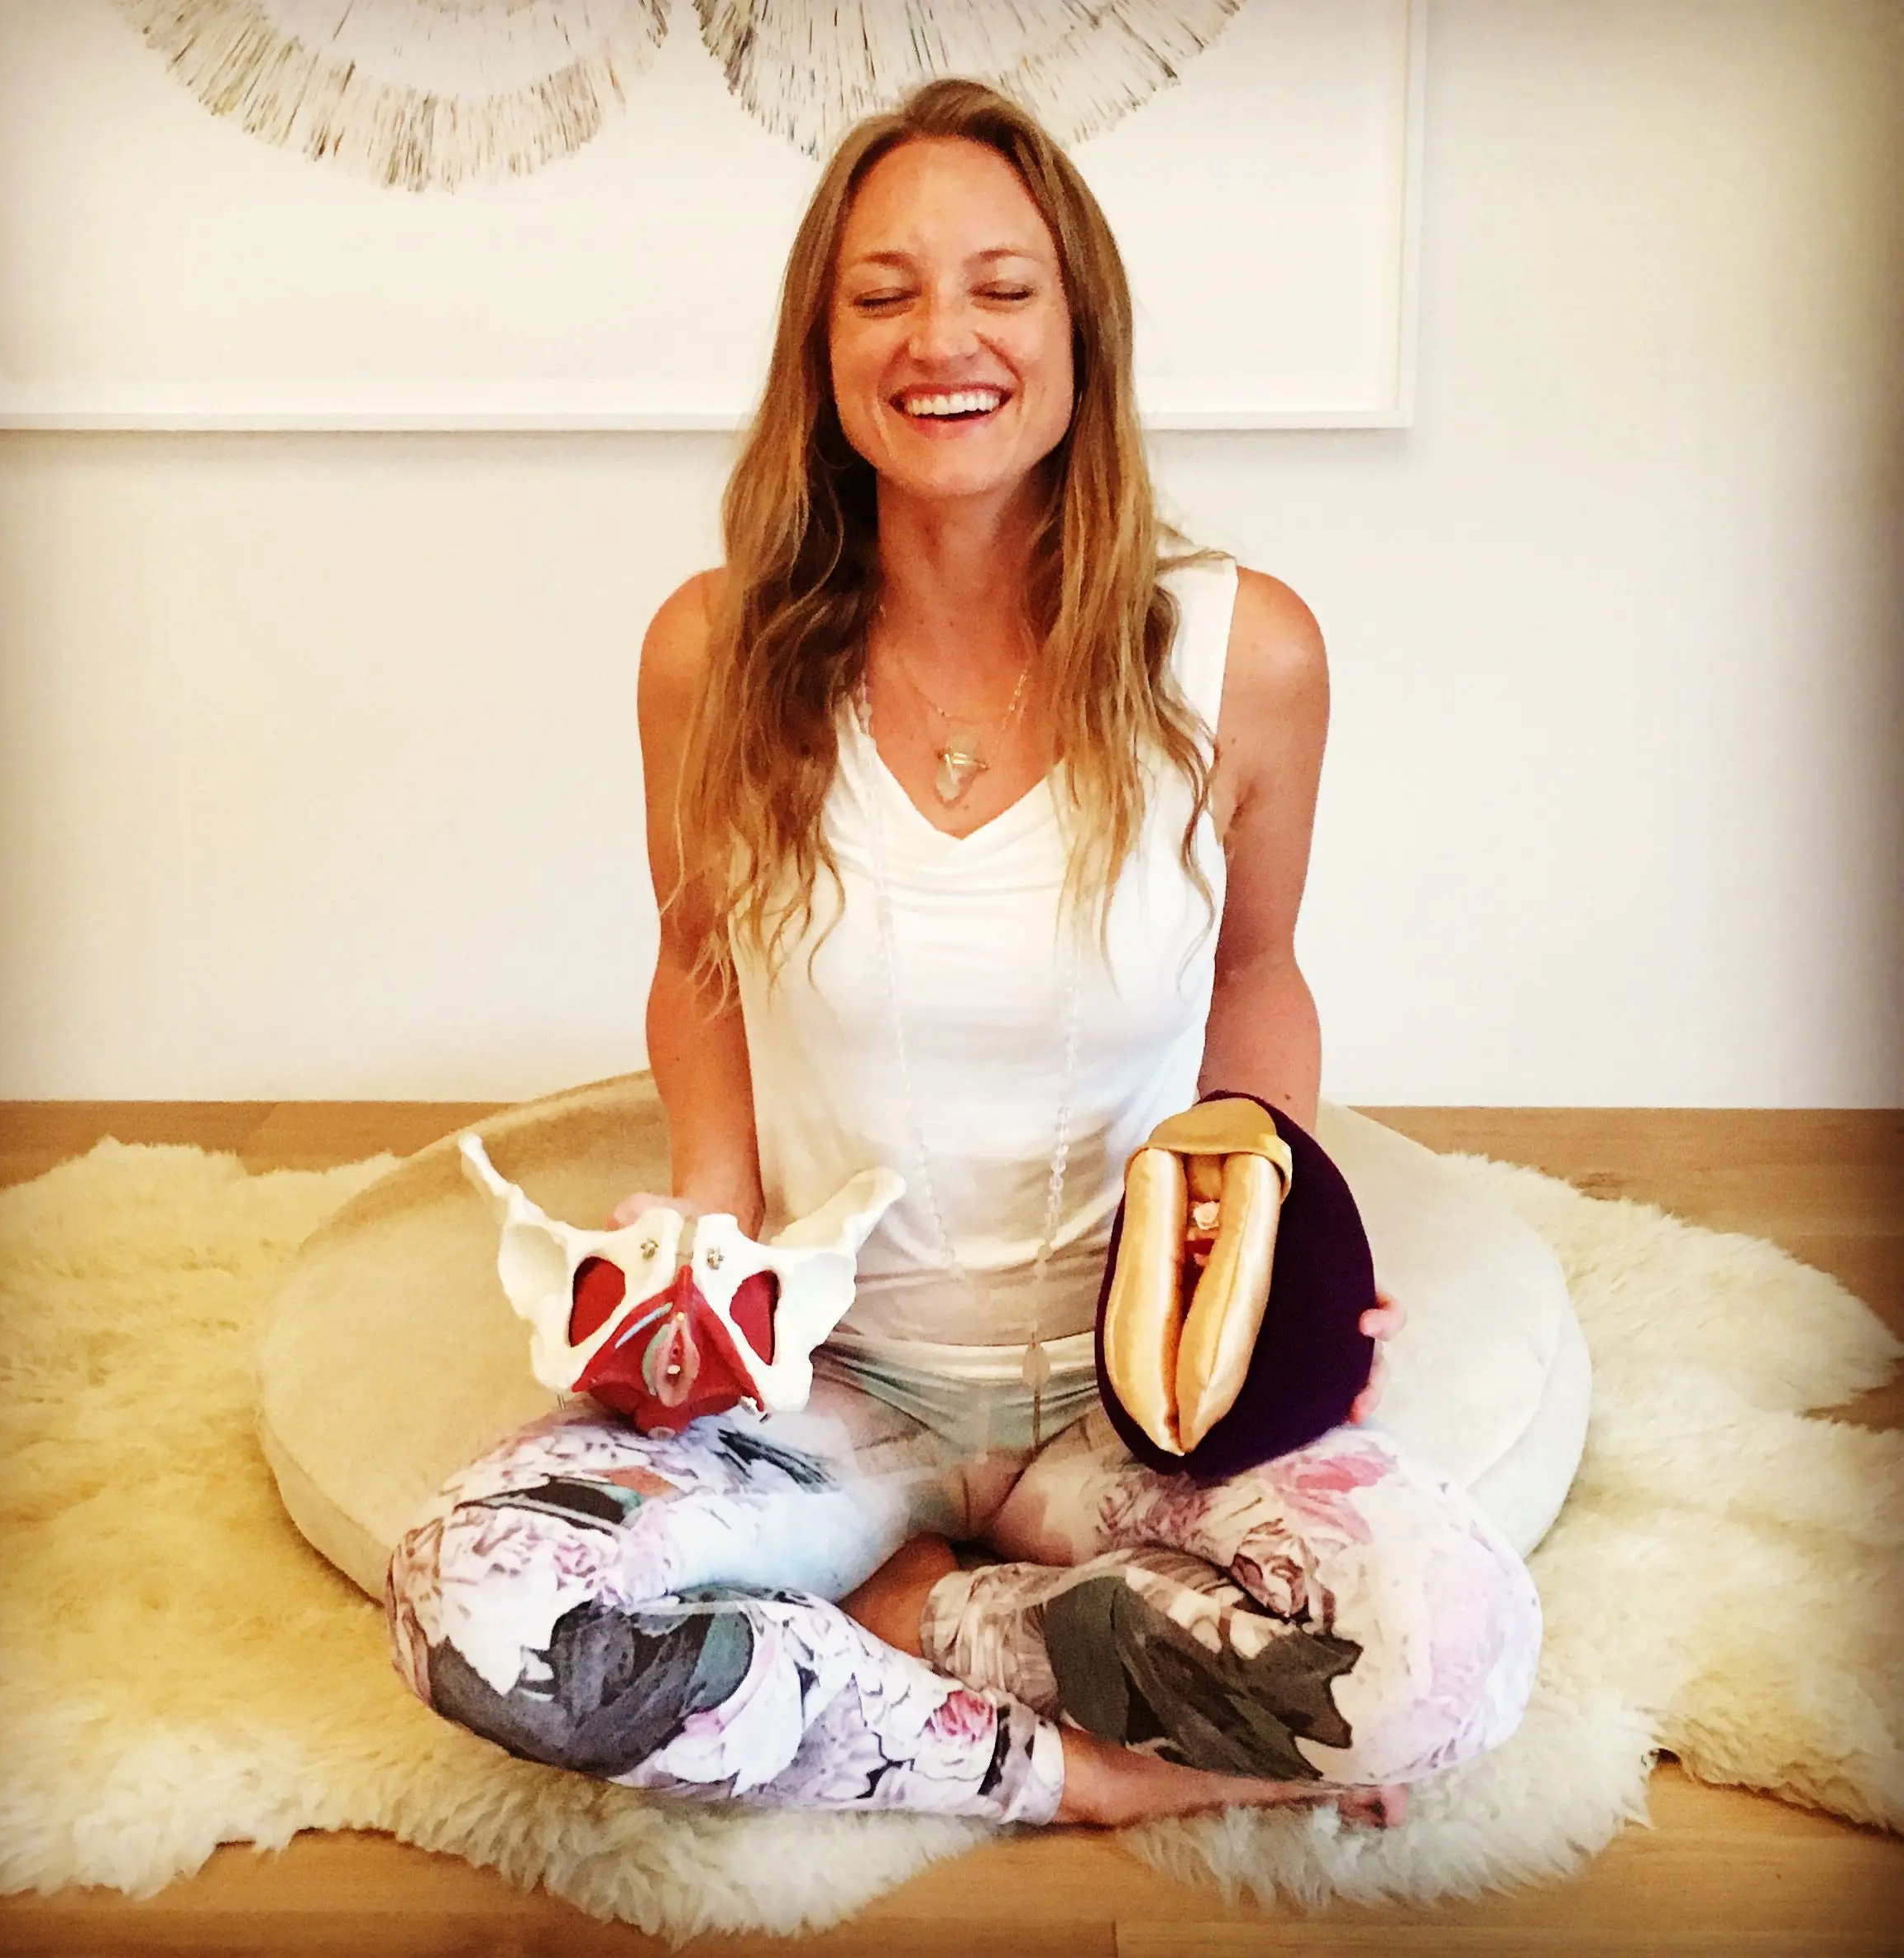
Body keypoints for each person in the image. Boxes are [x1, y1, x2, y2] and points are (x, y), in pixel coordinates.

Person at [385, 78, 1540, 1831]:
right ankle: (1056, 1768)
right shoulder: (714, 651)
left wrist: (1262, 1229)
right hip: (829, 1385)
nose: (945, 337)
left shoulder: (1243, 650)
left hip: (1119, 1400)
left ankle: (920, 1616)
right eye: (884, 293)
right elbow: (698, 956)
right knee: (477, 1605)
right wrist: (705, 1214)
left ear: (1080, 334)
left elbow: (1254, 973)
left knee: (1451, 1652)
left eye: (1002, 288)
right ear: (821, 347)